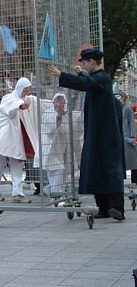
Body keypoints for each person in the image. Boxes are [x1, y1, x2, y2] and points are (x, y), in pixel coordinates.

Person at [48, 48, 125, 221]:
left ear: (92, 61)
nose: (82, 64)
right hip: (97, 132)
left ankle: (117, 208)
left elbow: (89, 84)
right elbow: (89, 82)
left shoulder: (103, 78)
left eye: (84, 62)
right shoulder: (97, 79)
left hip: (106, 134)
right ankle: (103, 207)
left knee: (110, 168)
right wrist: (81, 74)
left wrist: (62, 75)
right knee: (97, 167)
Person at [0, 77, 39, 202]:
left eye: (28, 91)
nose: (26, 93)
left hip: (14, 140)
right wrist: (21, 106)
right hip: (2, 139)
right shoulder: (9, 98)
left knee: (16, 166)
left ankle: (17, 193)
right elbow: (11, 107)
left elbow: (34, 101)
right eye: (25, 90)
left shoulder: (22, 99)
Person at [116, 91, 137, 184]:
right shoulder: (116, 108)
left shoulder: (127, 108)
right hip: (119, 137)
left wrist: (133, 136)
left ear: (124, 98)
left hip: (127, 137)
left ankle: (134, 181)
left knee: (132, 160)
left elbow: (131, 122)